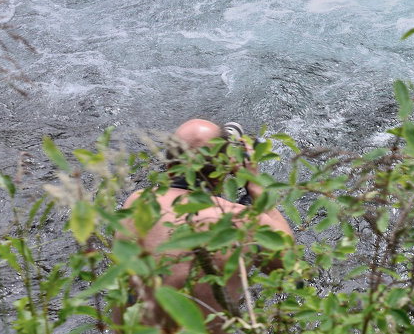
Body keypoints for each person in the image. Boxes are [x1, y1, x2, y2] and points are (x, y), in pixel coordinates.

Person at [118, 119, 293, 333]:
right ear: (224, 170)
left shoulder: (137, 203)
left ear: (169, 168)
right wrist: (255, 189)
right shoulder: (243, 220)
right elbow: (289, 263)